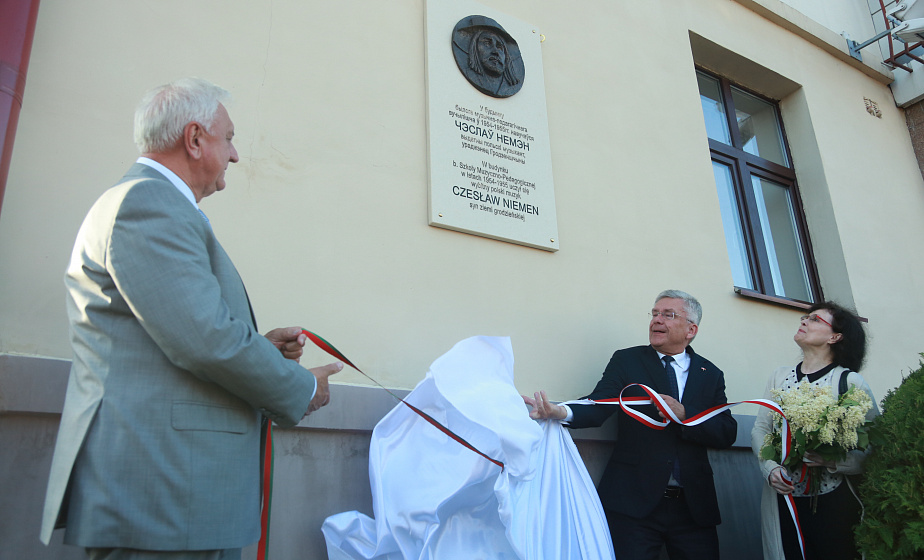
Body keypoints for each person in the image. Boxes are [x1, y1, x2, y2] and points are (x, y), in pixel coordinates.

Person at [39, 77, 343, 559]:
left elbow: (175, 333)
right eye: (230, 138)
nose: (237, 156)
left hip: (176, 495)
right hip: (164, 492)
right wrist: (300, 387)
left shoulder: (153, 204)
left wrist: (260, 347)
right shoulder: (148, 203)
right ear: (195, 139)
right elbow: (203, 339)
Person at [524, 290, 737, 560]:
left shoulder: (710, 373)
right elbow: (599, 404)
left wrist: (684, 414)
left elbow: (727, 432)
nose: (657, 320)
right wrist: (558, 410)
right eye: (655, 313)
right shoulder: (628, 360)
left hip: (693, 509)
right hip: (633, 505)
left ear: (691, 330)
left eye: (668, 315)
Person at [750, 302, 879, 560]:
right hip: (785, 497)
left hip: (835, 501)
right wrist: (770, 469)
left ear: (835, 336)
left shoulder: (849, 381)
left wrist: (832, 460)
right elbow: (761, 429)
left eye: (815, 319)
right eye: (805, 317)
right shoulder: (779, 377)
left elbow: (874, 443)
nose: (805, 321)